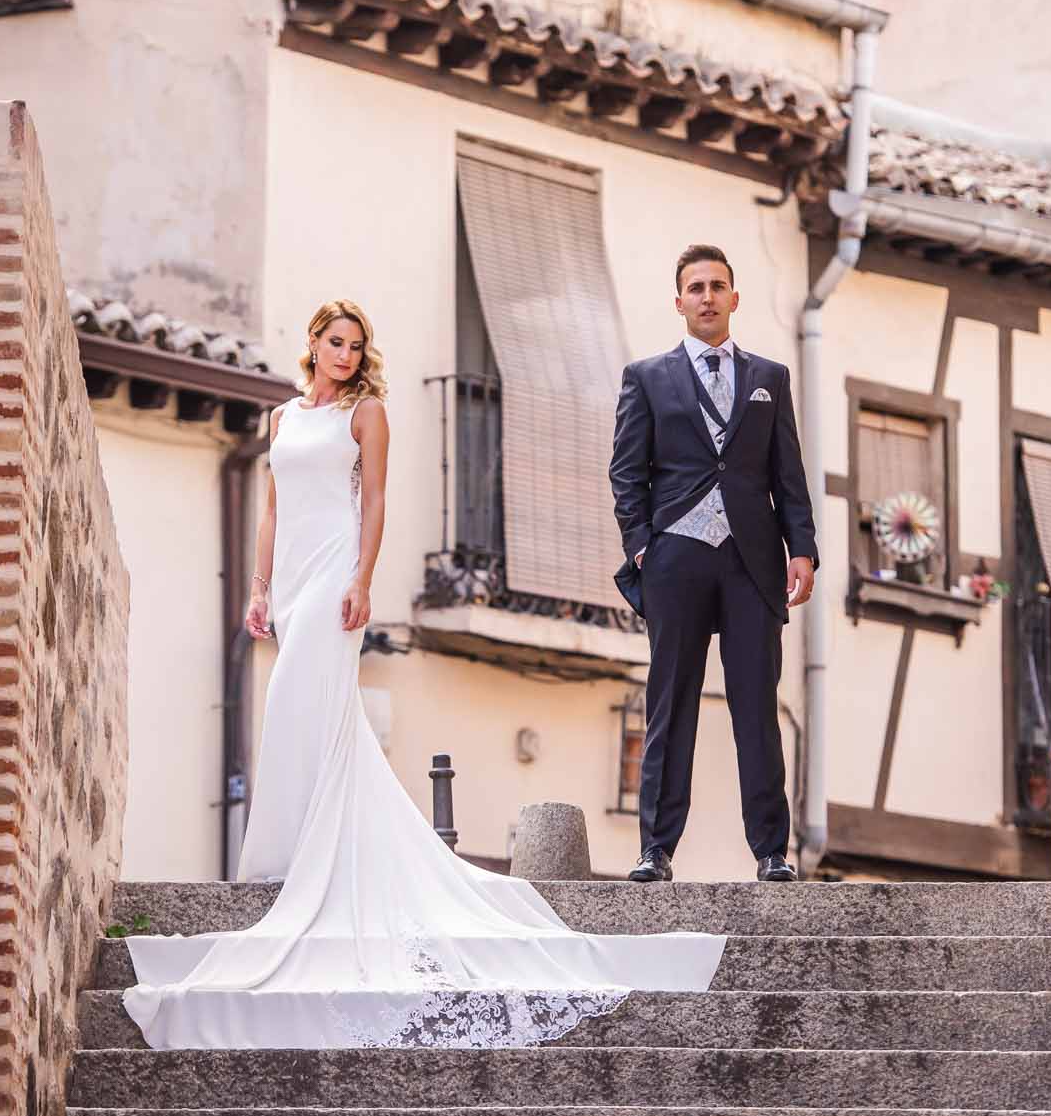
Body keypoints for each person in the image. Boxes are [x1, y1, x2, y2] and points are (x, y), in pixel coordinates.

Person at [122, 299, 725, 1050]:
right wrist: (258, 586)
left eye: (355, 344)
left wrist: (364, 579)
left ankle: (311, 855)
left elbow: (374, 500)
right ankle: (285, 853)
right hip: (294, 569)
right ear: (312, 344)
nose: (345, 354)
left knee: (312, 693)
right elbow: (271, 509)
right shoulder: (279, 419)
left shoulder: (366, 413)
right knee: (287, 699)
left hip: (338, 563)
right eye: (334, 342)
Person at [609, 244, 819, 884]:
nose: (706, 296)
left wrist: (802, 548)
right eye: (695, 287)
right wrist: (642, 543)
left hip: (754, 559)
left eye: (717, 286)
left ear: (734, 297)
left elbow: (788, 471)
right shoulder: (646, 377)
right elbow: (626, 470)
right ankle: (656, 849)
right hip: (675, 555)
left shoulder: (770, 378)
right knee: (670, 703)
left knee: (757, 705)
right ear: (679, 302)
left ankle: (771, 853)